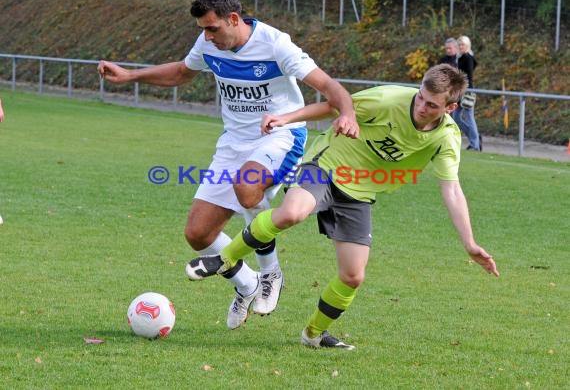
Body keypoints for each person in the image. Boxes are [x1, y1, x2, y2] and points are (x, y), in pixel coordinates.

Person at [186, 64, 500, 349]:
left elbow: (452, 189)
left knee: (353, 276)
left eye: (432, 105)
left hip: (359, 190)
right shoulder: (388, 99)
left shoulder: (447, 137)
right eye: (420, 97)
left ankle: (313, 335)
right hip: (326, 163)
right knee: (292, 213)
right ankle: (224, 260)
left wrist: (469, 243)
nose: (421, 106)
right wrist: (286, 119)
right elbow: (332, 105)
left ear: (451, 107)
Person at [97, 0, 356, 329]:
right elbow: (181, 72)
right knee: (198, 234)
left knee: (246, 187)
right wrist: (131, 75)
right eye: (203, 29)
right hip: (233, 143)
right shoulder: (208, 43)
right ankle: (246, 284)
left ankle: (271, 273)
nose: (207, 36)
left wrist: (348, 113)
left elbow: (331, 88)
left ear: (233, 19)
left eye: (212, 28)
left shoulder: (275, 44)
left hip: (280, 135)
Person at [453, 35, 481, 151]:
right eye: (459, 45)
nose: (461, 46)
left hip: (467, 90)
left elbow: (468, 76)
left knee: (469, 117)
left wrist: (466, 90)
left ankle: (475, 144)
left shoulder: (468, 58)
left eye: (463, 44)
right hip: (460, 90)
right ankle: (474, 138)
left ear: (467, 45)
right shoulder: (459, 57)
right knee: (456, 117)